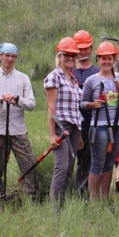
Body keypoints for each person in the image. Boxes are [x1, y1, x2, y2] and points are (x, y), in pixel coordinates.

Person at [0, 43, 39, 202]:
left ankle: (31, 199)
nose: (10, 59)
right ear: (0, 56)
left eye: (13, 56)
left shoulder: (23, 78)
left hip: (18, 130)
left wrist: (17, 100)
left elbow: (31, 105)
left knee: (29, 166)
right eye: (7, 55)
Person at [81, 42, 119, 200]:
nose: (106, 62)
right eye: (103, 58)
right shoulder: (92, 80)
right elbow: (82, 103)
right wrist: (92, 104)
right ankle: (94, 201)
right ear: (98, 59)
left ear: (114, 59)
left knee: (110, 164)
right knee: (97, 164)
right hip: (100, 127)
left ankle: (105, 199)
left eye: (109, 58)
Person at [44, 37, 83, 206]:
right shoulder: (54, 77)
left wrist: (79, 134)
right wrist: (52, 135)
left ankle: (62, 202)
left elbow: (76, 109)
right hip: (61, 127)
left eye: (73, 56)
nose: (70, 58)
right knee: (61, 167)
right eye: (66, 55)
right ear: (59, 56)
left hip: (74, 128)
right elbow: (51, 107)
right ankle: (55, 208)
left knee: (69, 168)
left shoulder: (73, 79)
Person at [72, 29, 100, 194]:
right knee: (67, 161)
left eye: (86, 48)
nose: (83, 51)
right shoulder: (68, 71)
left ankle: (81, 194)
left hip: (91, 123)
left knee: (87, 161)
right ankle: (64, 194)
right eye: (79, 48)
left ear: (91, 48)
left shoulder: (97, 71)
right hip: (70, 123)